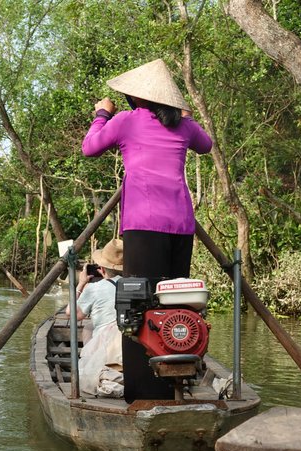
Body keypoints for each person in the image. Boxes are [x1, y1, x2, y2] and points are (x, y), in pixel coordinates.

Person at [81, 58, 213, 402]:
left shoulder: (126, 121)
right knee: (174, 305)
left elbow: (89, 147)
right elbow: (206, 145)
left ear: (135, 98)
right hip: (181, 225)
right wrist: (187, 117)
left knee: (136, 306)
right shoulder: (183, 127)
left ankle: (142, 393)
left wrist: (101, 114)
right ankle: (174, 387)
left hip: (144, 224)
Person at [65, 239, 124, 397]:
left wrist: (81, 283)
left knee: (88, 327)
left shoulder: (94, 288)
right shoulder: (136, 285)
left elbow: (71, 313)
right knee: (90, 327)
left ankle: (92, 362)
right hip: (128, 337)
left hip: (107, 344)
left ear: (102, 269)